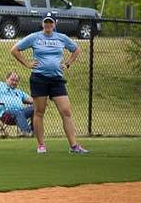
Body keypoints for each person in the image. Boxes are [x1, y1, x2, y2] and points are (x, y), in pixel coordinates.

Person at [11, 12, 88, 154]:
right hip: (39, 79)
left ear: (54, 24)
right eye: (46, 22)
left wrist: (68, 63)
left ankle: (74, 146)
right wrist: (27, 64)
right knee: (39, 112)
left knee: (66, 111)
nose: (48, 25)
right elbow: (15, 50)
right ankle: (41, 145)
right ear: (42, 23)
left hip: (57, 80)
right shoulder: (35, 37)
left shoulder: (61, 38)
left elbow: (76, 49)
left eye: (50, 22)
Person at [0, 71, 33, 136]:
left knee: (36, 108)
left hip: (21, 112)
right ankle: (27, 133)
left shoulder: (19, 92)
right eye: (12, 80)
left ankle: (34, 131)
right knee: (18, 112)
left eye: (16, 81)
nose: (14, 82)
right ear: (6, 79)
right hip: (5, 113)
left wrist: (40, 103)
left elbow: (31, 99)